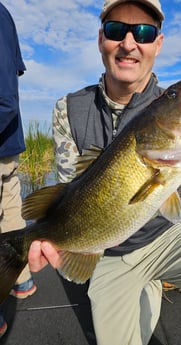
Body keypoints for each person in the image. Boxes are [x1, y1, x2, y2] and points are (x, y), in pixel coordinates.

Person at [28, 1, 181, 344]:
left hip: (166, 237)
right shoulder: (67, 108)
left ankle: (154, 279)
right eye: (117, 30)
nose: (130, 43)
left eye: (145, 32)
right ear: (101, 38)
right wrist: (48, 239)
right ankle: (144, 284)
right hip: (107, 253)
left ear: (158, 44)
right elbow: (68, 193)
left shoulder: (165, 101)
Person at [0, 2, 36, 338]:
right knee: (10, 210)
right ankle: (21, 279)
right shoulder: (5, 16)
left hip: (1, 140)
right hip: (7, 143)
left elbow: (5, 100)